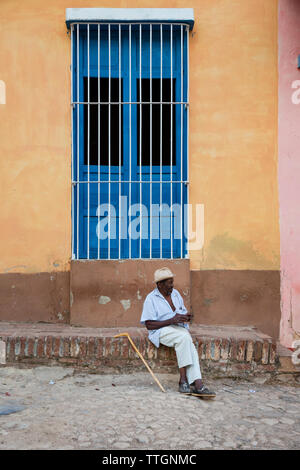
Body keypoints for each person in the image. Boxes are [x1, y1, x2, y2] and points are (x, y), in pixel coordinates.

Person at [140, 267, 216, 397]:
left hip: (178, 329)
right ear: (159, 284)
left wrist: (185, 317)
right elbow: (149, 325)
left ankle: (195, 382)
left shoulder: (175, 293)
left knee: (186, 339)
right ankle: (187, 380)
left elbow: (181, 312)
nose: (172, 285)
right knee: (184, 338)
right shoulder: (151, 298)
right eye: (169, 283)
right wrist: (171, 320)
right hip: (160, 331)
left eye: (172, 282)